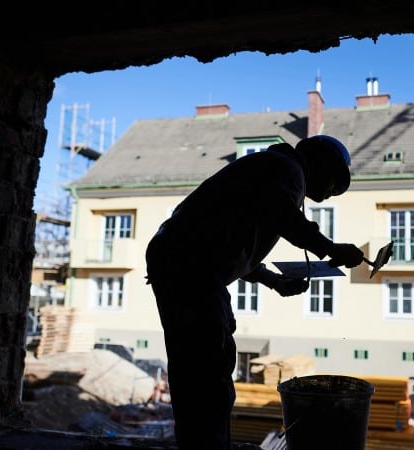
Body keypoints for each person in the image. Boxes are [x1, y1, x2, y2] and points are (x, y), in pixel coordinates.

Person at [145, 135, 366, 450]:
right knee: (208, 369)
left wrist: (274, 281)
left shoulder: (268, 170)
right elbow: (284, 216)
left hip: (182, 263)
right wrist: (331, 248)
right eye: (335, 183)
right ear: (321, 164)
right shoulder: (286, 169)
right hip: (191, 266)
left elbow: (235, 247)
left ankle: (201, 443)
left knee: (196, 366)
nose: (331, 193)